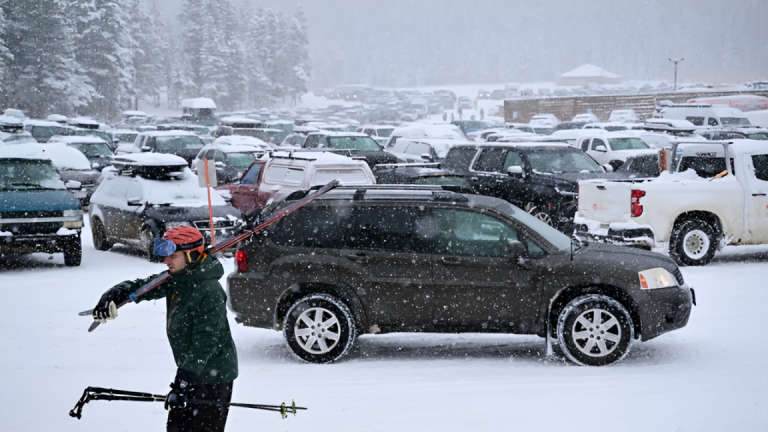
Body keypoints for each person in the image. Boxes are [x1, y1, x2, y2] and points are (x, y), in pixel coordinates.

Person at [92, 226, 238, 432]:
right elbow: (147, 287)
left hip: (213, 377)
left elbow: (206, 341)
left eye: (173, 256)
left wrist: (185, 381)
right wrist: (119, 291)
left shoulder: (210, 291)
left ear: (191, 255)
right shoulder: (179, 278)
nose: (166, 261)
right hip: (191, 371)